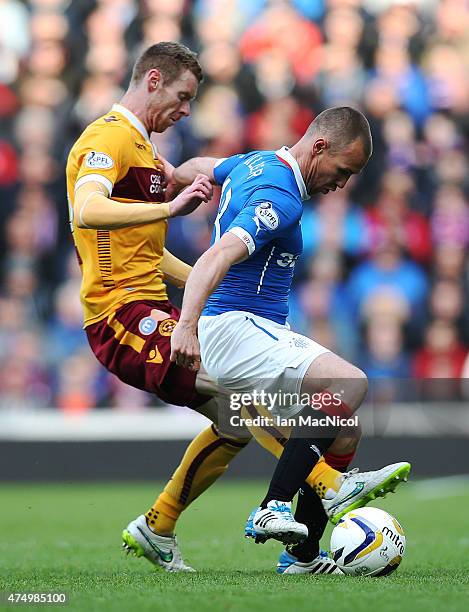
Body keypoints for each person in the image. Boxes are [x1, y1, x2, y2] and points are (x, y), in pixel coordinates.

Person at [66, 42, 363, 576]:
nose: (185, 110)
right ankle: (326, 484)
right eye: (182, 97)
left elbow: (151, 257)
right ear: (152, 80)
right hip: (119, 317)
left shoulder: (144, 148)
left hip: (145, 304)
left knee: (233, 422)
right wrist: (170, 206)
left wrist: (200, 271)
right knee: (240, 390)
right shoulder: (108, 137)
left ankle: (158, 525)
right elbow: (85, 209)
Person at [170, 106, 411, 570]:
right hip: (234, 328)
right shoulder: (280, 198)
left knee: (342, 430)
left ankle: (301, 556)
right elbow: (216, 256)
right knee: (351, 384)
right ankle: (273, 506)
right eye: (343, 171)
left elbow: (203, 167)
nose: (342, 184)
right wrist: (186, 326)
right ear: (319, 147)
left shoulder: (255, 162)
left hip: (245, 330)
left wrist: (172, 177)